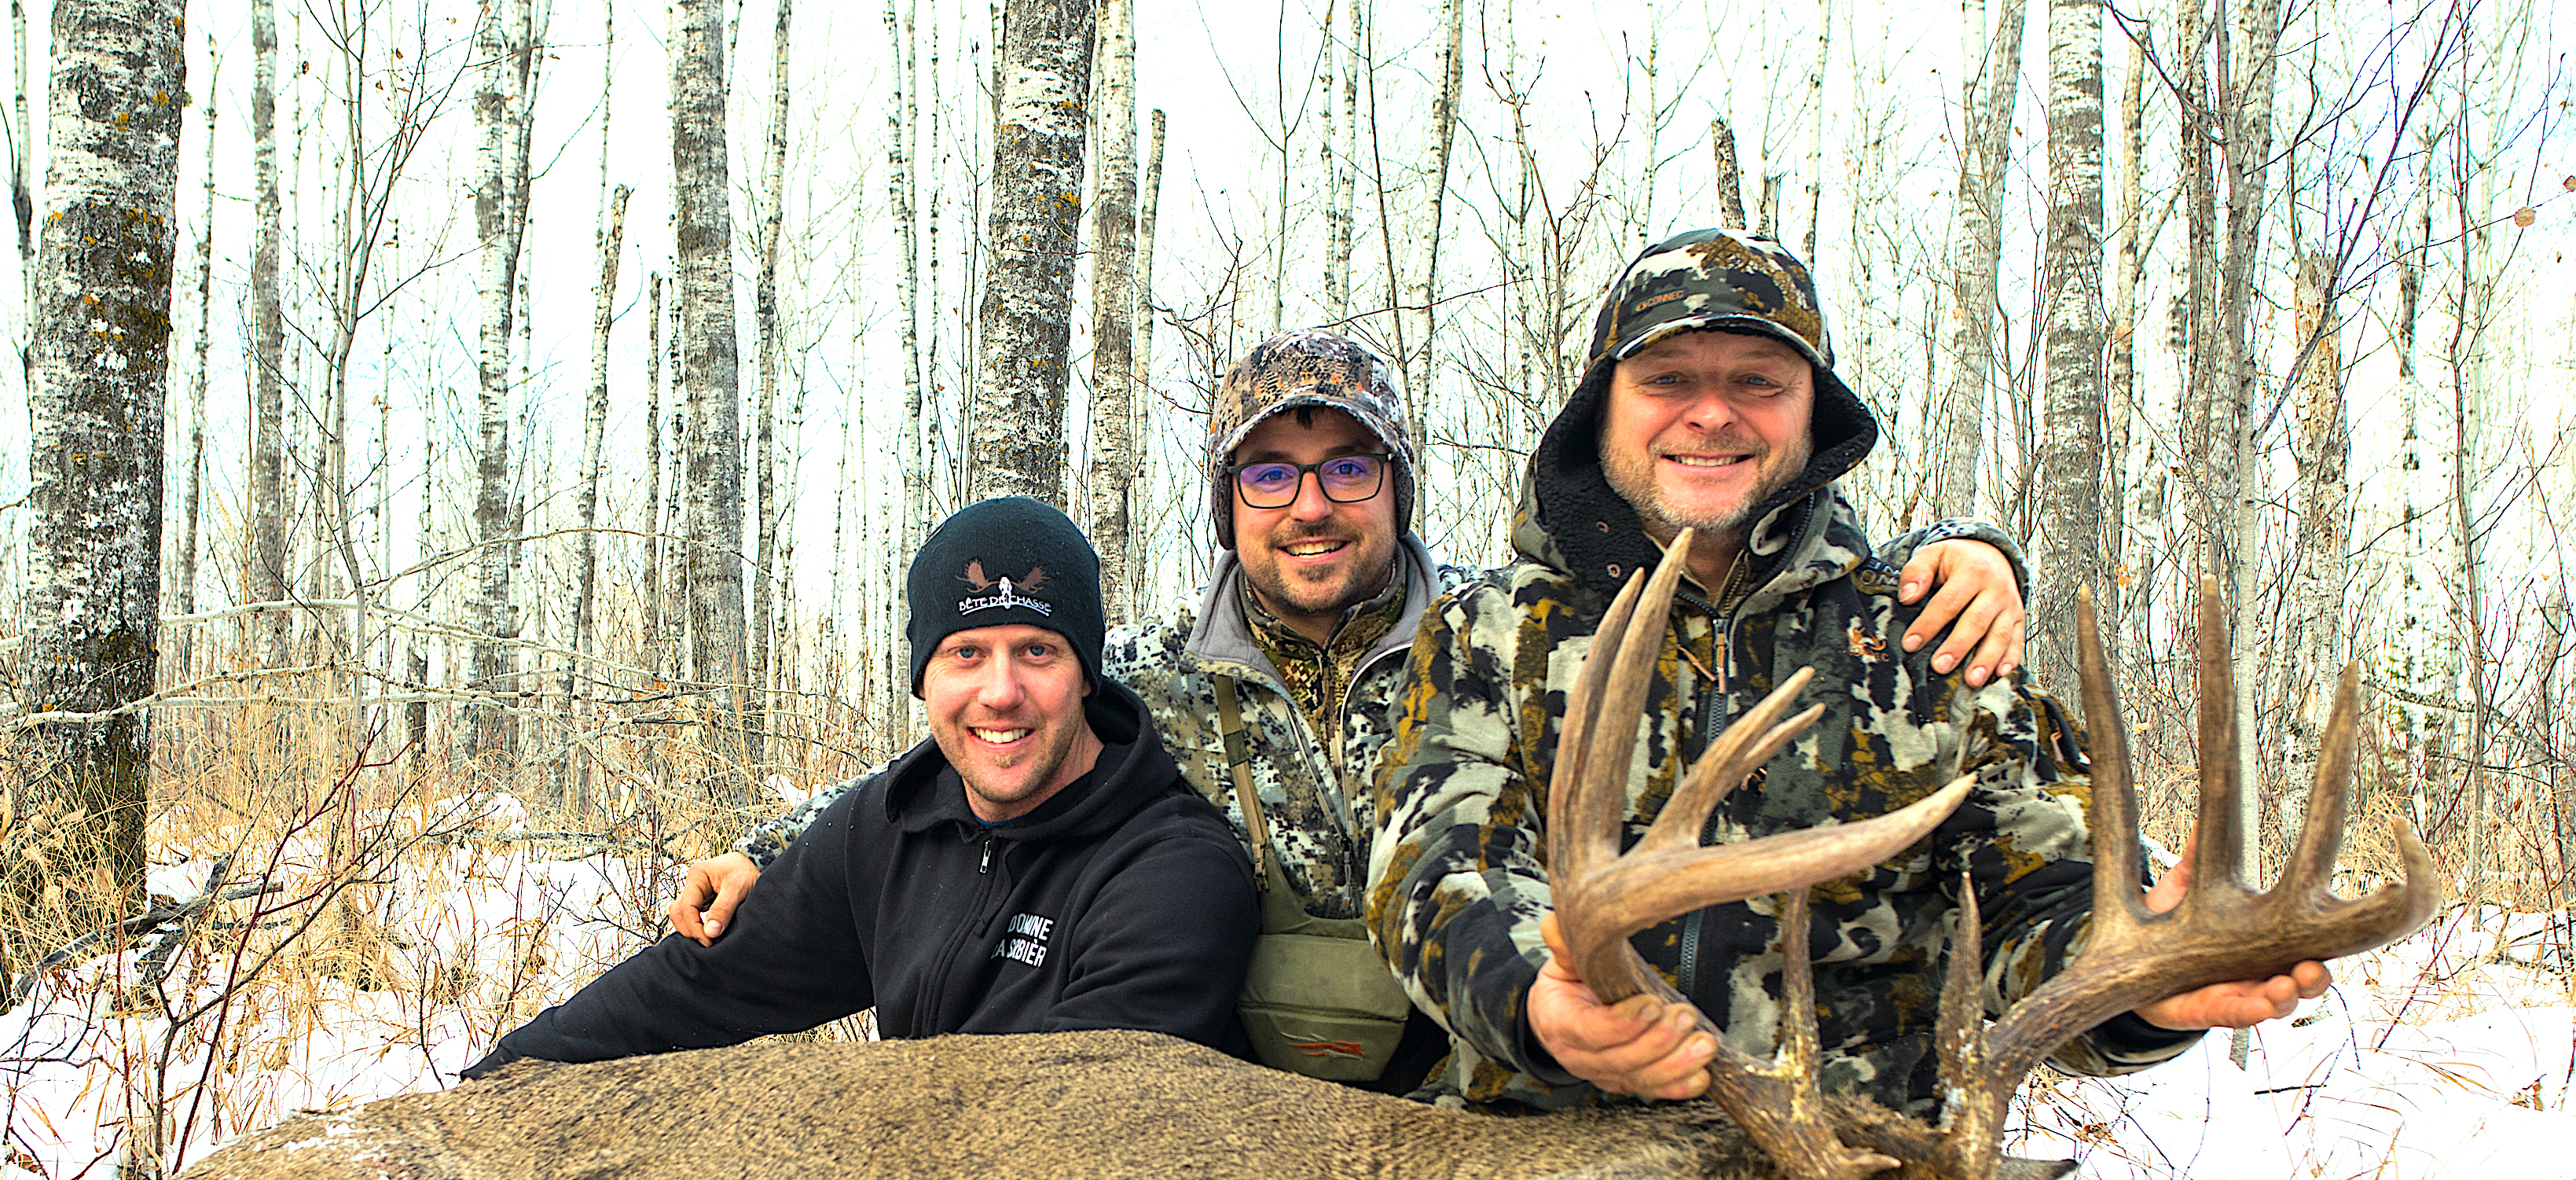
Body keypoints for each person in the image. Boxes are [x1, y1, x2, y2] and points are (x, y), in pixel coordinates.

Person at [671, 332, 2029, 1093]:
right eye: (1269, 474)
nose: (1310, 503)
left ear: (1397, 485)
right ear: (1229, 505)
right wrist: (775, 851)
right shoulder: (1148, 673)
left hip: (1476, 1081)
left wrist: (1959, 550)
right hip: (1231, 1100)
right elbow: (977, 736)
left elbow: (1735, 595)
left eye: (1346, 467)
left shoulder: (1519, 639)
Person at [1367, 227, 2330, 1113]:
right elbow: (1439, 866)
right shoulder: (1488, 632)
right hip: (1557, 1159)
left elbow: (2032, 893)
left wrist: (2146, 986)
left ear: (1810, 415)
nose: (1710, 414)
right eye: (1665, 379)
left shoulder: (1930, 638)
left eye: (1757, 381)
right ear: (1600, 408)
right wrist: (1538, 1002)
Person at [465, 498, 1255, 1076]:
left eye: (1037, 652)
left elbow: (1057, 1124)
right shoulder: (888, 829)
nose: (1000, 692)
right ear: (922, 679)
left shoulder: (1175, 874)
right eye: (966, 654)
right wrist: (489, 1091)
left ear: (1088, 674)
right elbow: (694, 987)